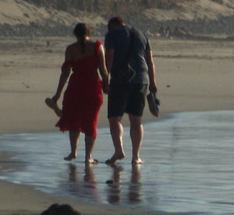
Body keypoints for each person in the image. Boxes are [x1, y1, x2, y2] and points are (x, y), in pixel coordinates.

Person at [101, 16, 158, 168]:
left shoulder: (112, 35)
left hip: (121, 79)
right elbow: (150, 61)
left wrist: (105, 80)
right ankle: (136, 157)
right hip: (142, 80)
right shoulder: (141, 34)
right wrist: (152, 82)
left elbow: (109, 58)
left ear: (112, 25)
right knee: (136, 120)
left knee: (115, 117)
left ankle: (119, 150)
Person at [47, 23, 108, 162]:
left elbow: (65, 73)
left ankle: (73, 152)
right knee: (91, 122)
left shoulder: (70, 49)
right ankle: (88, 157)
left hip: (75, 89)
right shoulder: (98, 46)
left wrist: (57, 95)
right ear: (89, 33)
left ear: (75, 34)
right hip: (93, 88)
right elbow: (103, 71)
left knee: (74, 121)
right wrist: (106, 86)